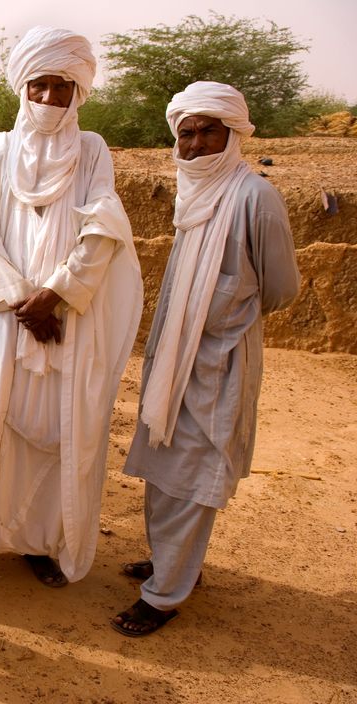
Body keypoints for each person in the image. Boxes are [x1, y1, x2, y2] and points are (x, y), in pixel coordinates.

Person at [0, 26, 142, 588]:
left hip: (64, 320)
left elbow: (104, 228)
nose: (48, 99)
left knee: (52, 430)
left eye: (60, 88)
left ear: (78, 93)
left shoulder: (92, 152)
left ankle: (39, 543)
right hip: (5, 317)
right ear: (23, 89)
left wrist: (58, 294)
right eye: (38, 86)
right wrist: (25, 299)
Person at [111, 82, 300, 636]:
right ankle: (173, 564)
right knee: (163, 466)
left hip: (218, 362)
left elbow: (281, 288)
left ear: (234, 133)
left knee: (194, 473)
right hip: (175, 357)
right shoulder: (192, 193)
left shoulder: (253, 197)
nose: (195, 144)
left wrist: (221, 318)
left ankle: (165, 594)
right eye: (186, 133)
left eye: (208, 131)